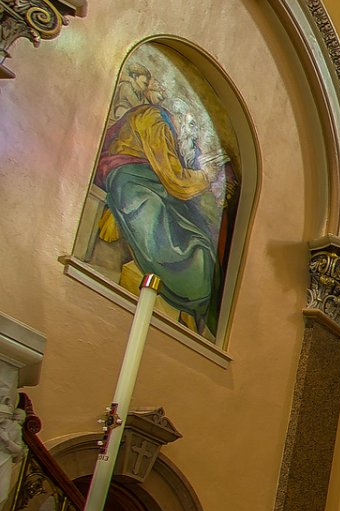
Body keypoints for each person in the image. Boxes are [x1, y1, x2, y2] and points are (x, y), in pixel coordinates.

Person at [89, 61, 237, 336]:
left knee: (200, 238)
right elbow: (175, 179)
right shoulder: (155, 119)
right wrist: (206, 176)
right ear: (179, 117)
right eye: (191, 128)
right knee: (188, 247)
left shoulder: (164, 125)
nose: (191, 136)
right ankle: (188, 289)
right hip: (130, 181)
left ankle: (192, 299)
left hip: (151, 184)